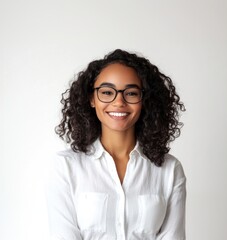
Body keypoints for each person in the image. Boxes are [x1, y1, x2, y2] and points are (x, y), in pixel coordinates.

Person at [46, 49, 186, 240]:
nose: (118, 102)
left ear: (144, 101)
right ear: (91, 99)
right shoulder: (66, 167)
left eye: (131, 93)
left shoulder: (170, 170)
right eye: (106, 92)